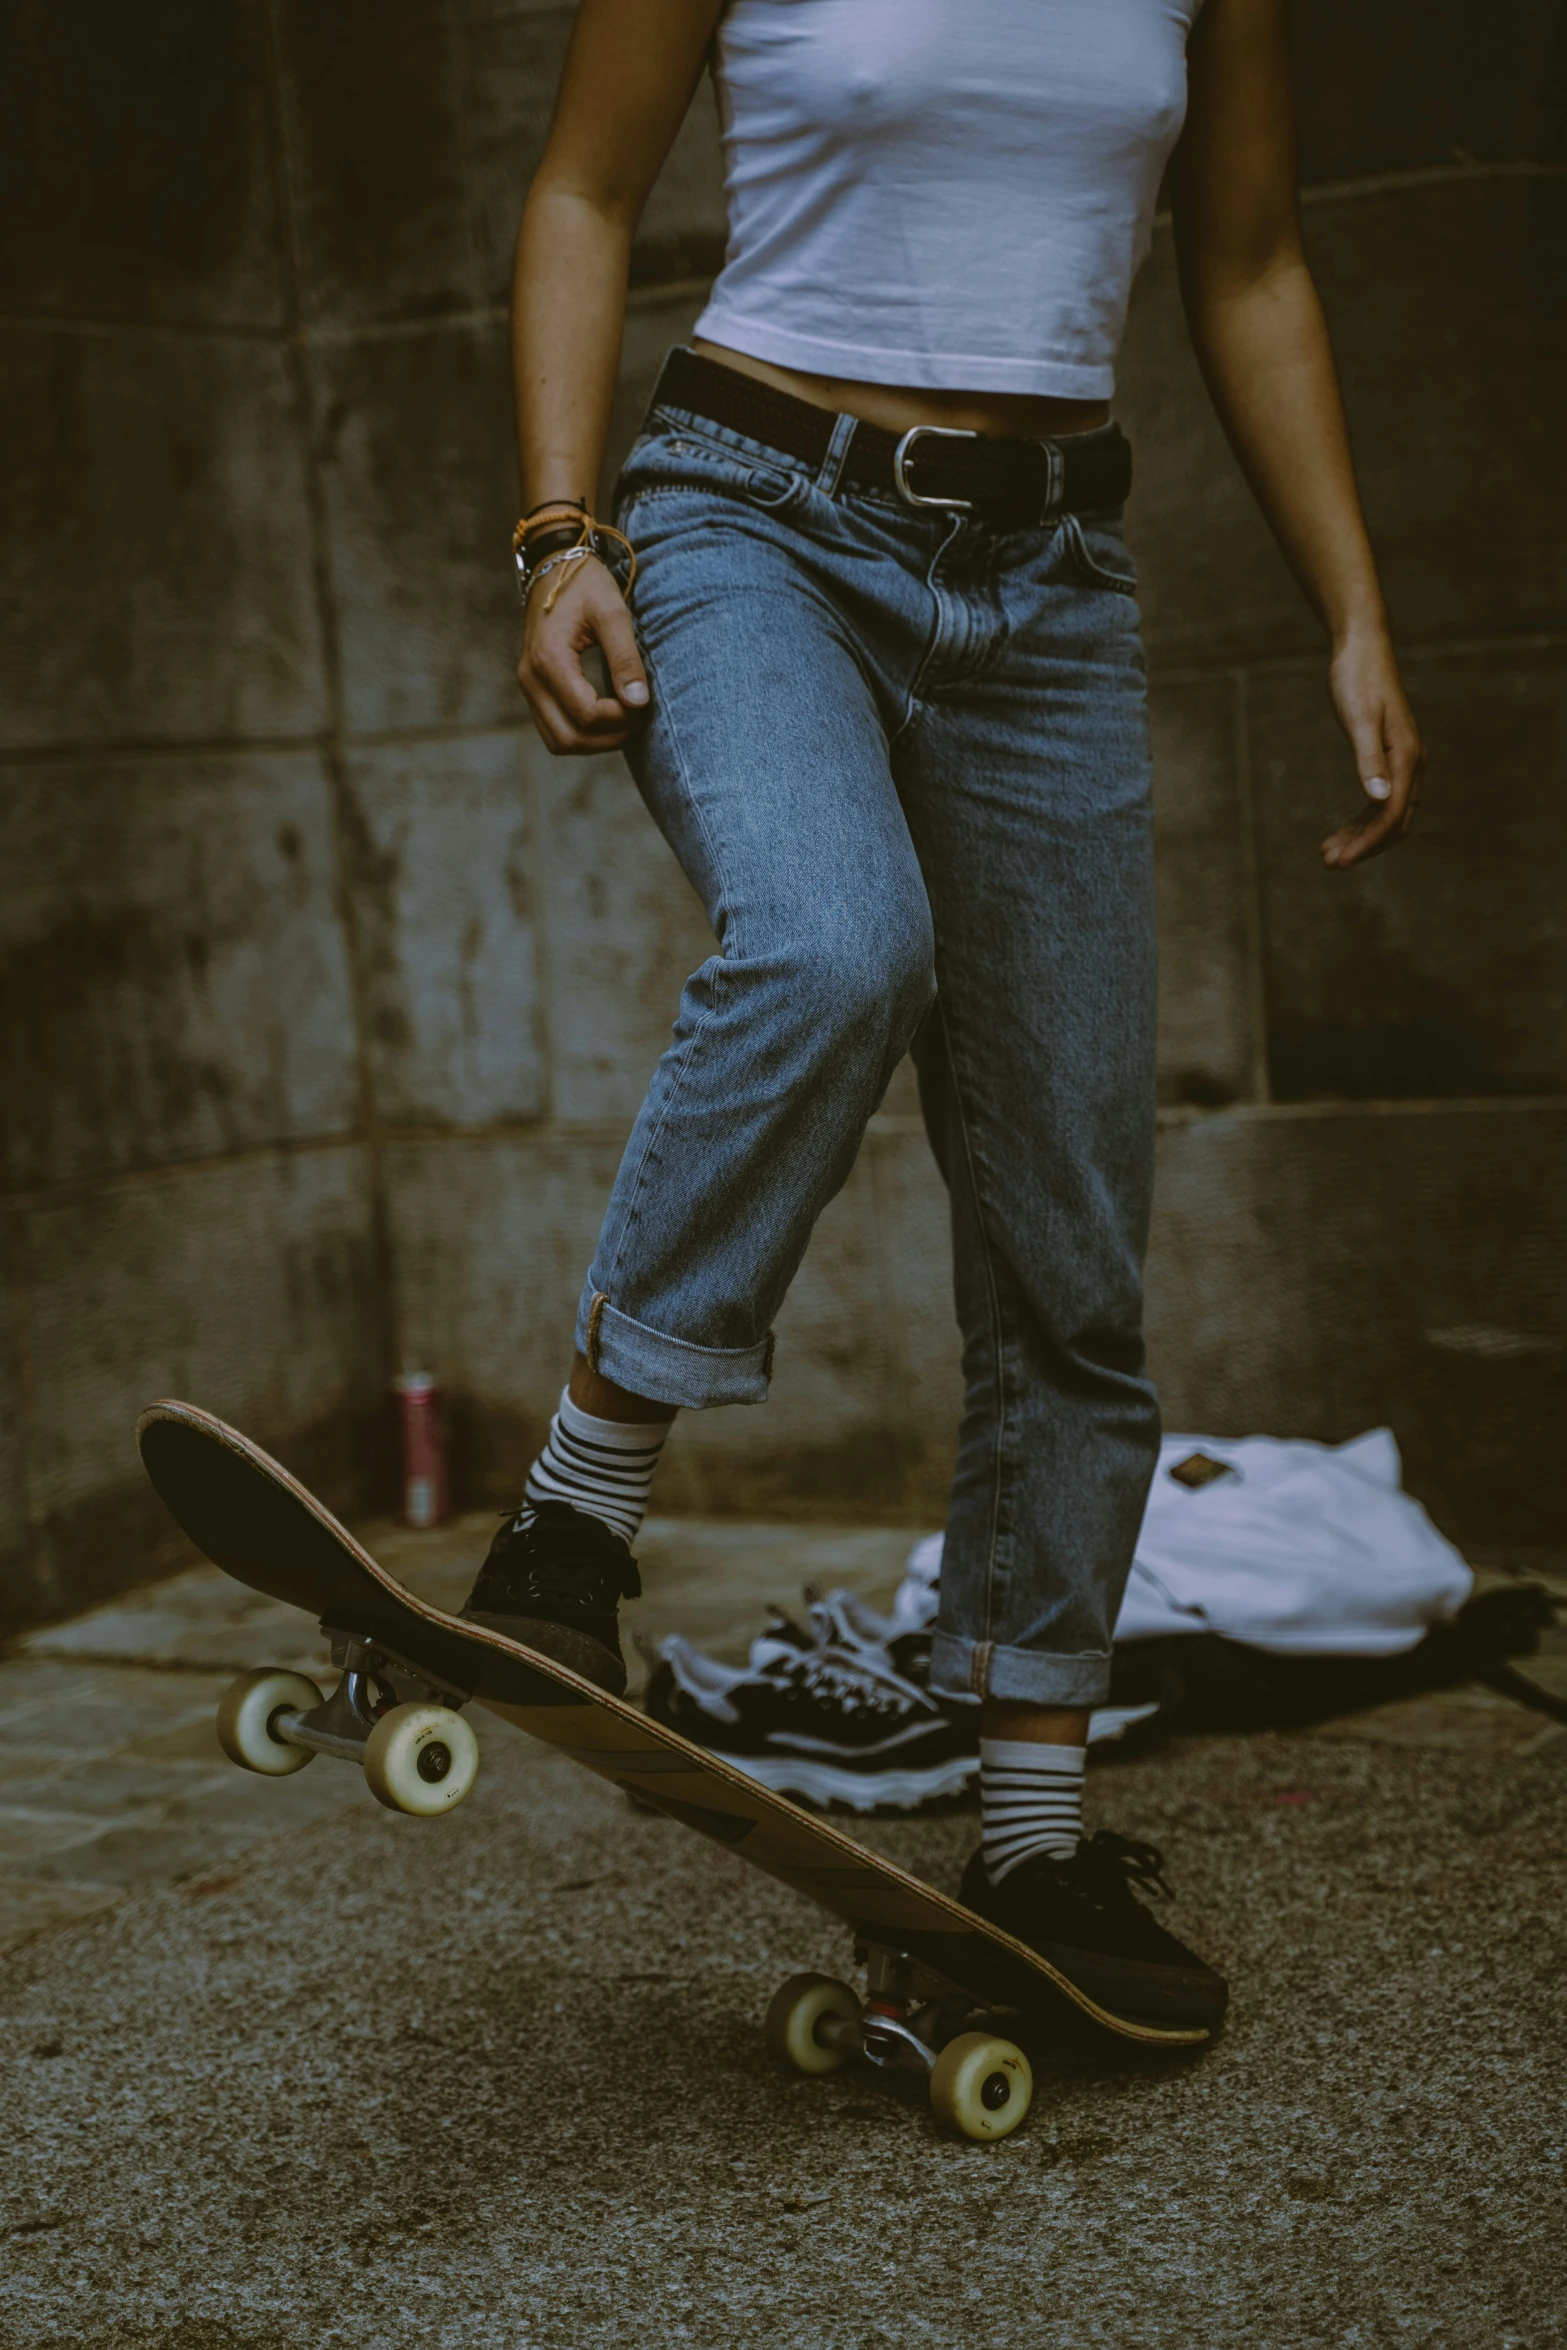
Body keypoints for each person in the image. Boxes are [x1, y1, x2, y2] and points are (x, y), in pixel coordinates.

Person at [461, 0, 1424, 2031]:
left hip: (1054, 585)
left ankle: (1031, 1834)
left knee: (1073, 1237)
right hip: (750, 512)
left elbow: (1247, 259)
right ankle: (573, 1523)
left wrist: (1351, 604)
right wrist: (558, 532)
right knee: (826, 944)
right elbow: (580, 186)